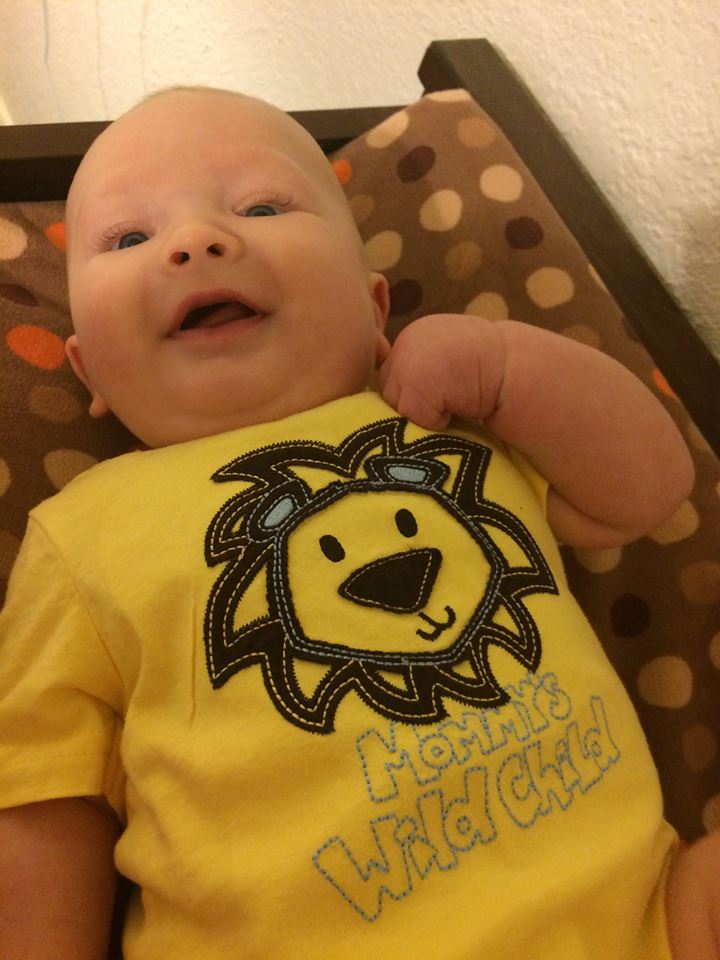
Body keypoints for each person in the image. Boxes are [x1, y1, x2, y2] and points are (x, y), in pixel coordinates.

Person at [0, 87, 716, 960]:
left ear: (374, 310)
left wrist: (505, 366)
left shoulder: (451, 421)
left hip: (643, 922)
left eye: (262, 207)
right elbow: (42, 793)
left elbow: (650, 488)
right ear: (88, 372)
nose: (197, 241)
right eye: (129, 239)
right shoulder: (83, 531)